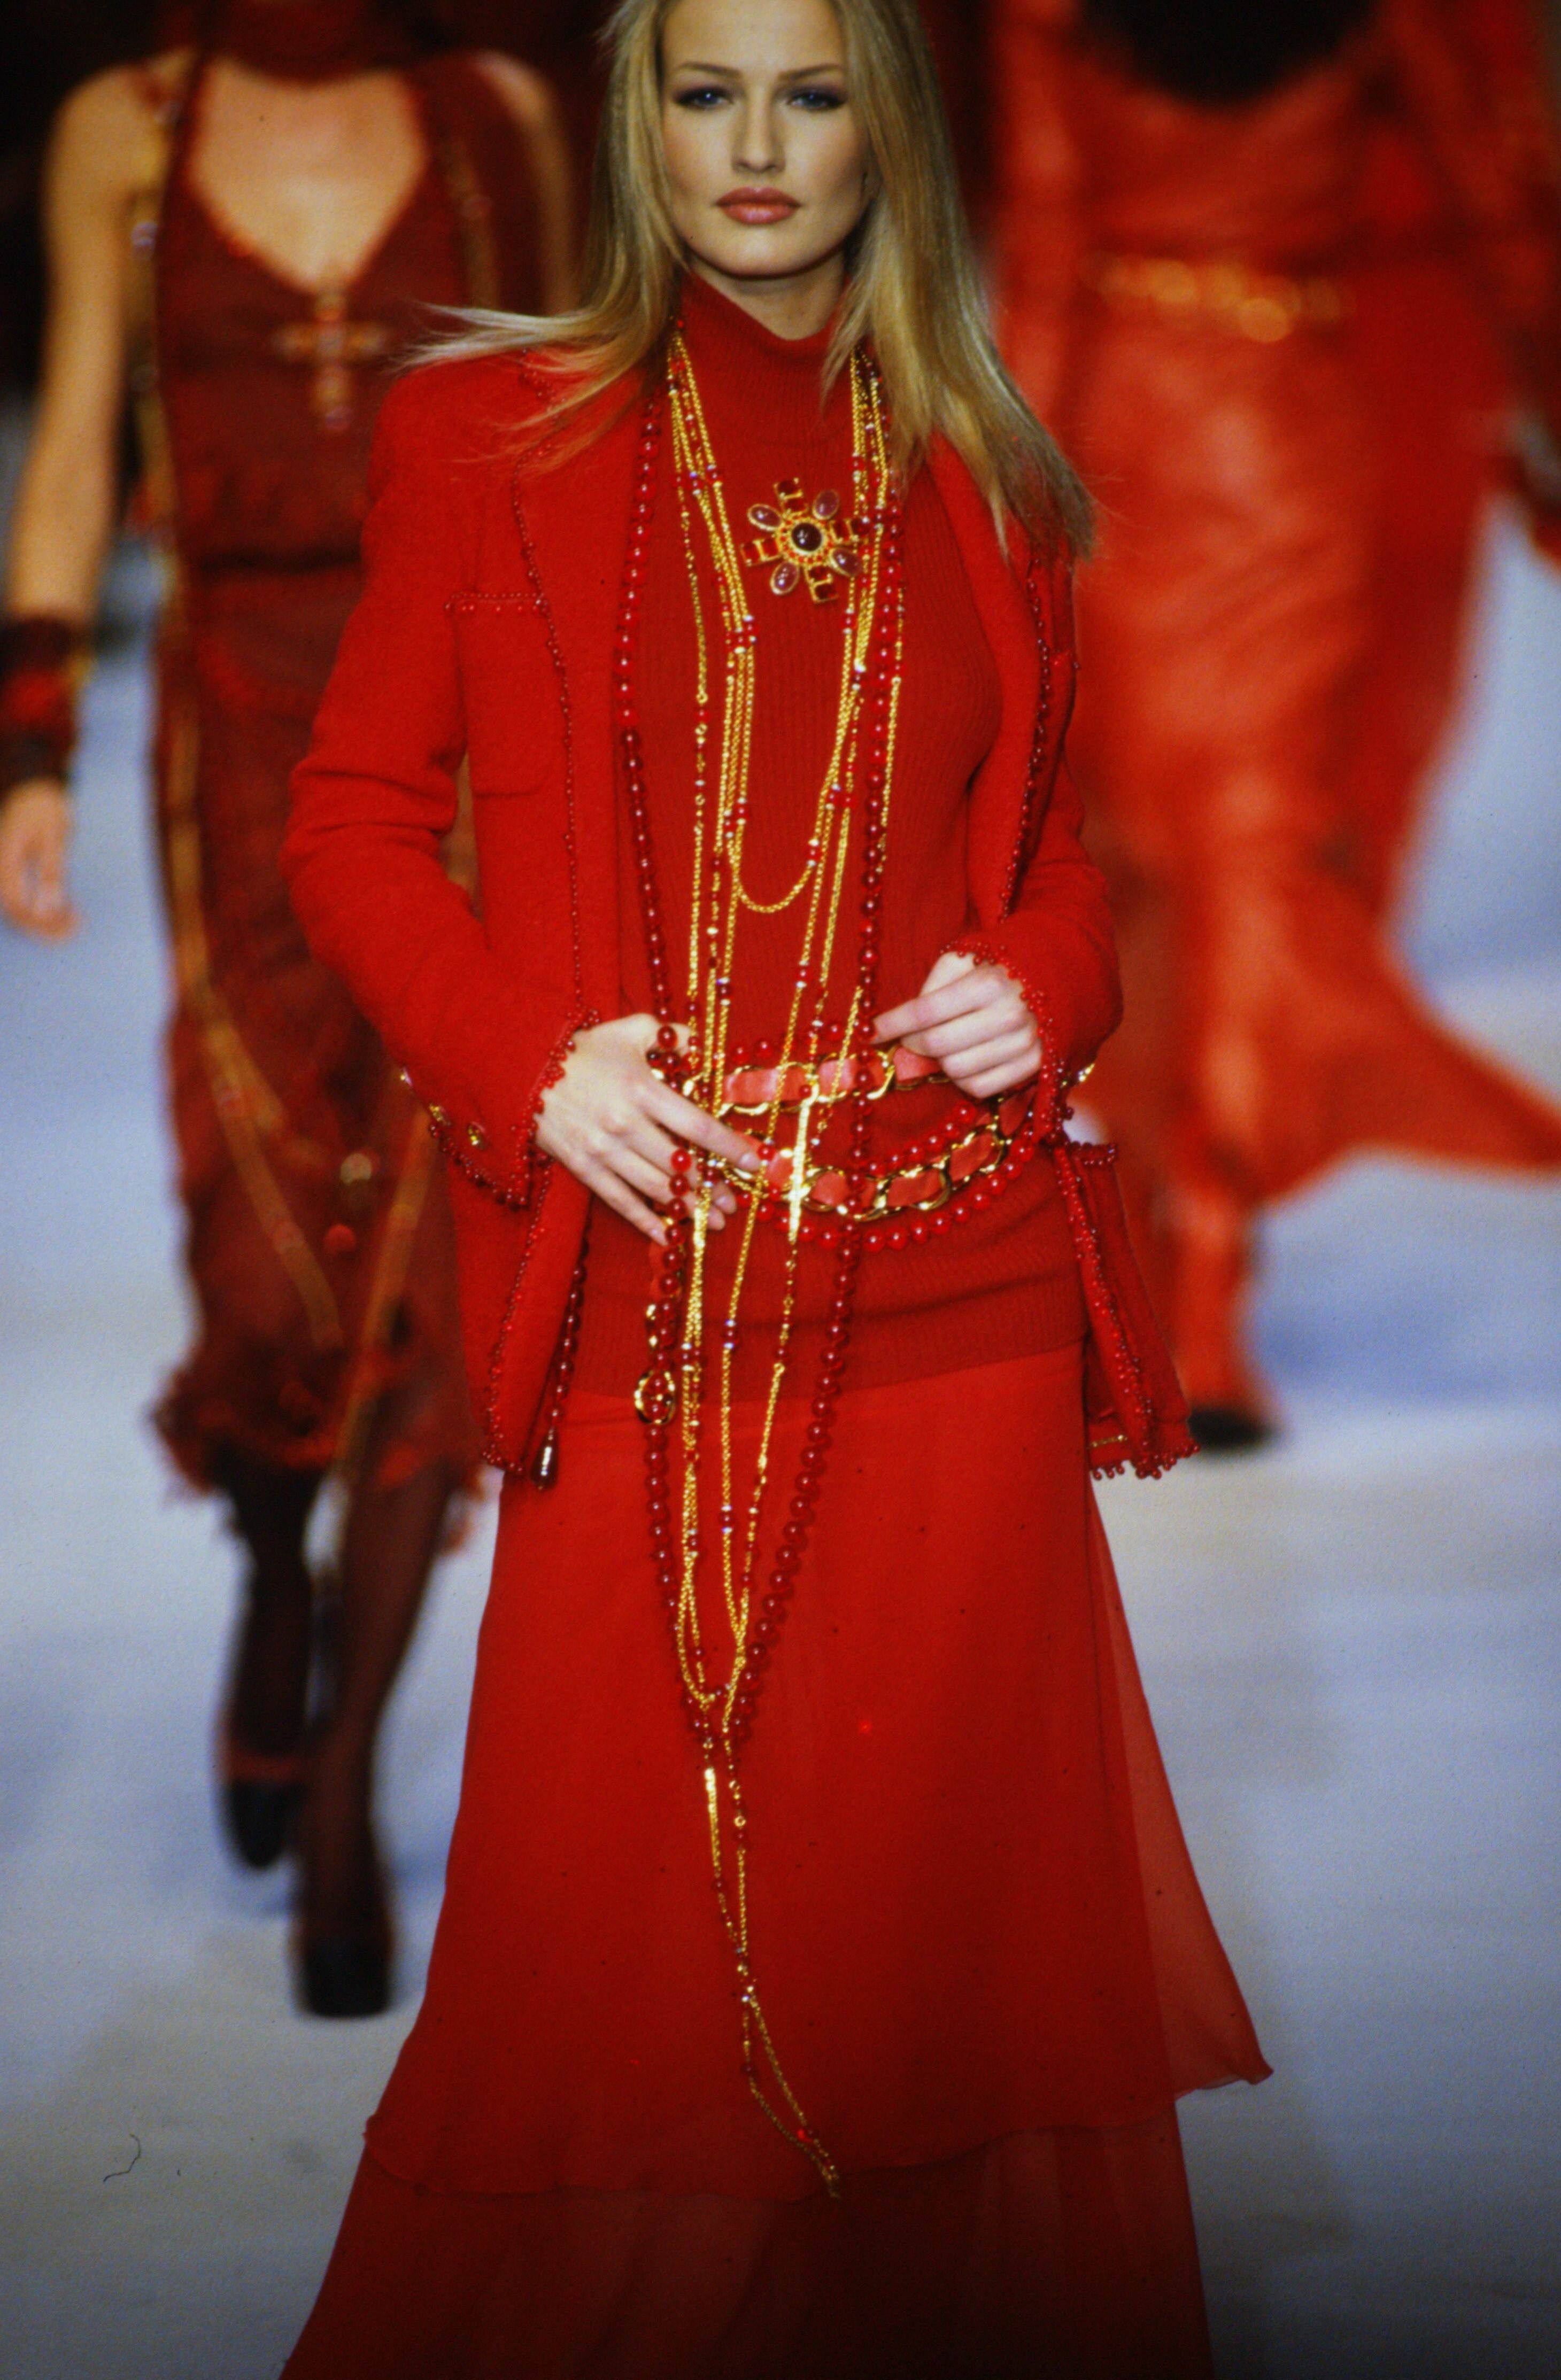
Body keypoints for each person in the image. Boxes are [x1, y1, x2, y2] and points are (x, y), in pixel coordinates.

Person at [277, 0, 1268, 2369]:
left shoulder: (987, 460)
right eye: (702, 90)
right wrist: (528, 1064)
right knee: (610, 1938)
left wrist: (1042, 984)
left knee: (940, 1928)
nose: (754, 144)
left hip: (946, 1272)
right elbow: (352, 820)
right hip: (652, 1253)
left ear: (885, 129)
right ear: (635, 119)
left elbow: (1063, 866)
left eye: (810, 92)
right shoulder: (489, 430)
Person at [0, 0, 573, 2015]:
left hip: (468, 734)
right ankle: (270, 1569)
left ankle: (341, 1794)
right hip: (241, 738)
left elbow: (574, 423)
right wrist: (32, 745)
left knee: (438, 1245)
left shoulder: (493, 123)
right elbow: (79, 430)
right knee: (259, 1260)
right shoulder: (128, 132)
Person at [992, 0, 1561, 1443]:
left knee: (1135, 862)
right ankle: (1204, 1277)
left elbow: (1047, 253)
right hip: (1286, 430)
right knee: (1248, 859)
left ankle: (1152, 1249)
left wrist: (1002, 504)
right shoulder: (1373, 10)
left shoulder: (1052, 14)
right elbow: (1501, 211)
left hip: (1116, 430)